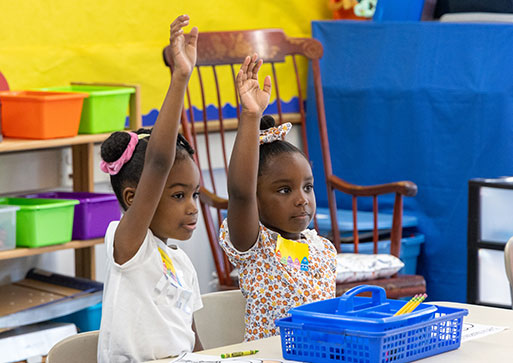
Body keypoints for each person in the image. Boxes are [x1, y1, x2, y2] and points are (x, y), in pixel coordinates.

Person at [97, 15, 203, 362]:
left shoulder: (182, 264)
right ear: (133, 198)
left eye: (194, 195)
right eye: (177, 195)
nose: (192, 207)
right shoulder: (128, 246)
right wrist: (180, 78)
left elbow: (192, 341)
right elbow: (159, 162)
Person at [219, 54, 337, 341]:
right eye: (285, 190)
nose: (302, 199)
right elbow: (240, 193)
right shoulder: (255, 246)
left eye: (307, 187)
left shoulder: (323, 249)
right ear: (256, 199)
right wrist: (250, 115)